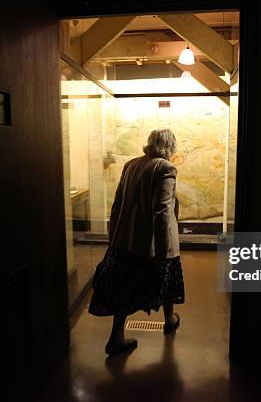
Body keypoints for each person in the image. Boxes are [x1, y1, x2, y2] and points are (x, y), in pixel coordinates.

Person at [88, 128, 185, 356]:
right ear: (170, 147)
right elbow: (161, 211)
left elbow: (118, 202)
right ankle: (169, 319)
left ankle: (117, 337)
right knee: (167, 278)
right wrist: (162, 252)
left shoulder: (131, 164)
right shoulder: (166, 168)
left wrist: (114, 237)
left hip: (126, 240)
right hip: (152, 243)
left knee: (124, 287)